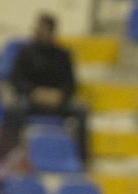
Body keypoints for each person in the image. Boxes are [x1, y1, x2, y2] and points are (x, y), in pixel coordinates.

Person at [8, 13, 88, 160]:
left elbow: (71, 84)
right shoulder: (26, 52)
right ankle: (10, 157)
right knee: (14, 110)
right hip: (32, 100)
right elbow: (16, 79)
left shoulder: (63, 54)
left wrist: (59, 95)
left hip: (56, 102)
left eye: (41, 28)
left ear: (51, 31)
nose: (37, 31)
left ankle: (81, 159)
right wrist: (33, 92)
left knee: (81, 111)